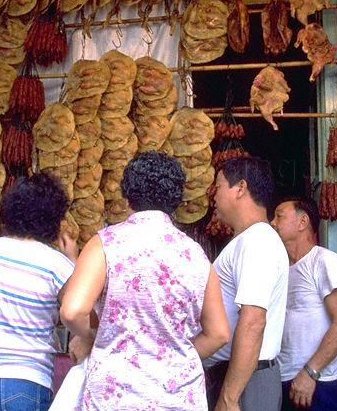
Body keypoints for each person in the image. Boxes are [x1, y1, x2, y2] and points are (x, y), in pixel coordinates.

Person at [60, 151, 231, 410]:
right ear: (176, 200)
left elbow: (73, 310)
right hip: (177, 398)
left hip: (116, 396)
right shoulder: (196, 255)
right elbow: (218, 333)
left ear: (127, 197)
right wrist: (170, 359)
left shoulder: (106, 244)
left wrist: (99, 336)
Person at [0, 172, 77, 411]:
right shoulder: (57, 265)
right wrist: (74, 259)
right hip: (22, 381)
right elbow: (77, 313)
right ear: (53, 219)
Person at [205, 156, 289, 411]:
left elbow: (253, 322)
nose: (213, 196)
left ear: (240, 188)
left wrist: (229, 398)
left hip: (245, 382)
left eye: (218, 186)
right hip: (239, 376)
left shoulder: (258, 241)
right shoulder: (248, 241)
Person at [271, 197, 337, 411]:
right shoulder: (280, 269)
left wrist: (310, 373)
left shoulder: (324, 261)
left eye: (279, 216)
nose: (272, 223)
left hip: (318, 384)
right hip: (285, 380)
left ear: (302, 222)